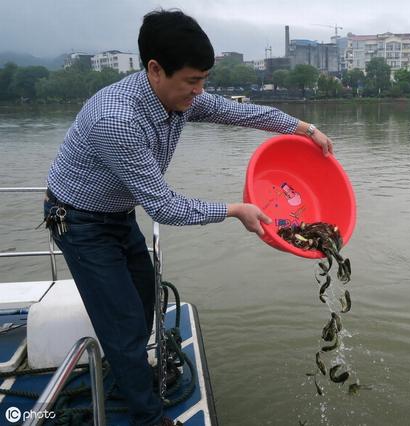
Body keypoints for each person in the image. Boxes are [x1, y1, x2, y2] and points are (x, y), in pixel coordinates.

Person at [43, 9, 333, 426]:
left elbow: (243, 113)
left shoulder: (178, 98)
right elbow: (164, 207)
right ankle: (147, 416)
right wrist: (234, 210)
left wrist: (303, 128)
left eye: (204, 81)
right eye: (193, 82)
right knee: (124, 324)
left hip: (117, 213)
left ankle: (129, 373)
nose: (200, 92)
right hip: (80, 222)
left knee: (143, 302)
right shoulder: (119, 119)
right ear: (155, 69)